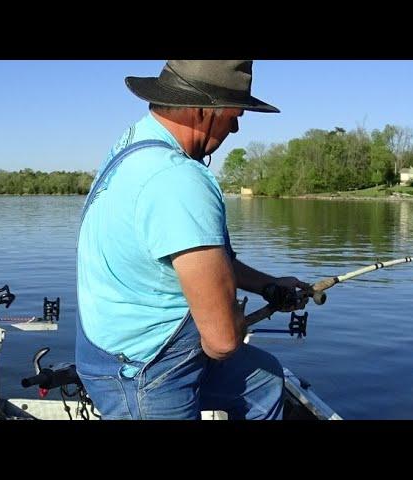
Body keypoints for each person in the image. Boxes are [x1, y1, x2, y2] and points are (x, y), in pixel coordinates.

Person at [76, 60, 309, 420]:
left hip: (112, 353)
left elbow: (199, 259)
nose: (235, 125)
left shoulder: (131, 145)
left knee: (267, 382)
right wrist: (232, 320)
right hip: (144, 373)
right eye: (235, 112)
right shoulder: (177, 180)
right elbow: (222, 341)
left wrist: (269, 285)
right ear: (205, 109)